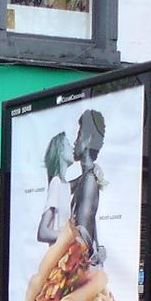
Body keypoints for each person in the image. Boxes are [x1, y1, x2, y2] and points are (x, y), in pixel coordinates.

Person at [63, 108, 106, 265]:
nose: (75, 142)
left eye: (79, 135)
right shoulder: (87, 178)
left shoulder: (89, 180)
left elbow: (82, 237)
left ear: (88, 139)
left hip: (80, 270)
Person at [36, 131, 73, 244]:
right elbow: (42, 233)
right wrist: (72, 237)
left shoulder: (64, 185)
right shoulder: (56, 183)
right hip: (59, 256)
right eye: (68, 144)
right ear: (60, 151)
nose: (72, 148)